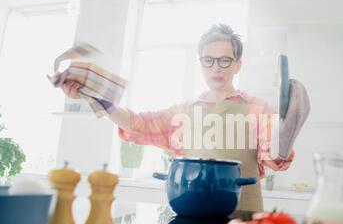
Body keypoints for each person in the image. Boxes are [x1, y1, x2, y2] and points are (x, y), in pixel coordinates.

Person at [61, 24, 308, 212]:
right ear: (201, 63)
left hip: (242, 220)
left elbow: (274, 157)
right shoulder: (183, 113)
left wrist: (286, 134)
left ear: (237, 65)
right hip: (191, 214)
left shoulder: (258, 109)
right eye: (208, 60)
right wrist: (97, 97)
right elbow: (138, 124)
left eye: (224, 60)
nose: (216, 68)